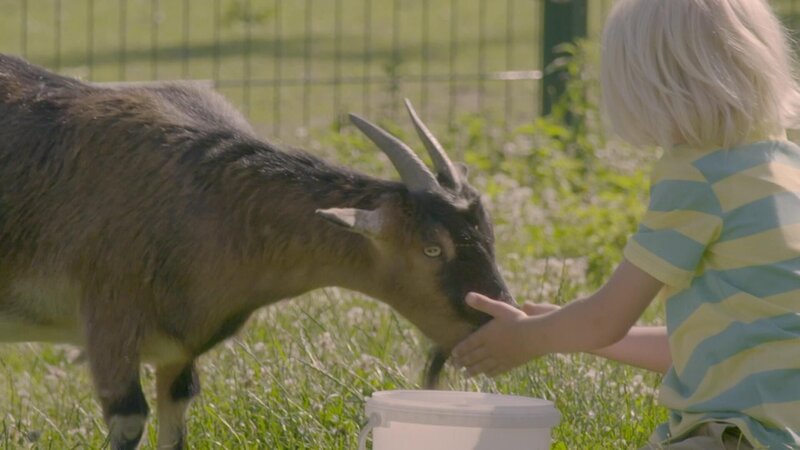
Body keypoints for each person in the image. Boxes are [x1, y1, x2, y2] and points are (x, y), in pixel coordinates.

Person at [451, 0, 800, 448]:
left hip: (743, 436)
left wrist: (526, 339)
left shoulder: (699, 175)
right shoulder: (785, 167)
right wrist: (567, 329)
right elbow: (704, 349)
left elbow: (605, 319)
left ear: (651, 86)